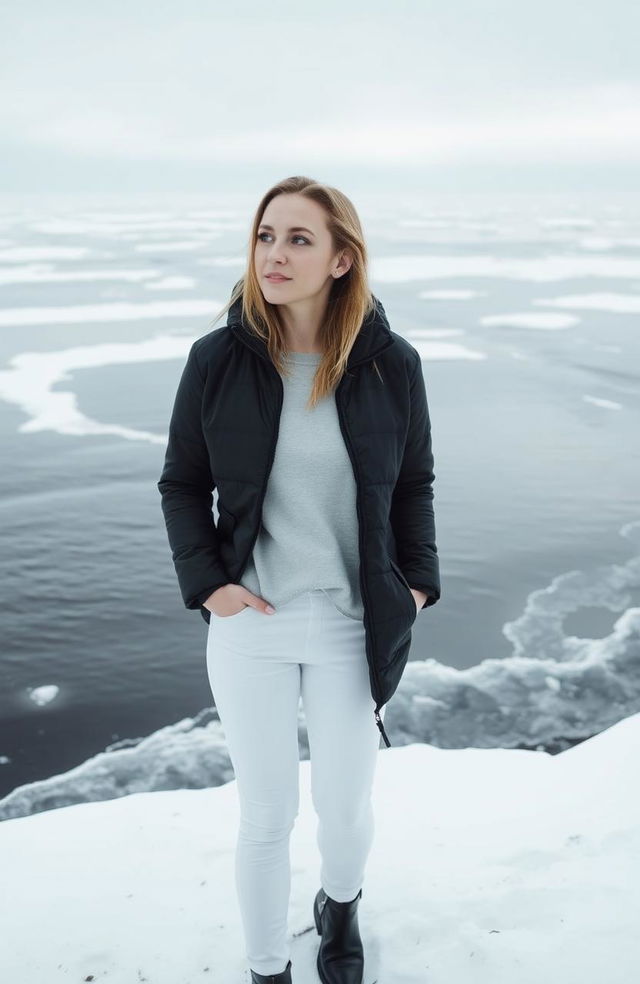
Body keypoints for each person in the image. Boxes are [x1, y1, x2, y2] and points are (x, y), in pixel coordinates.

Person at [157, 175, 441, 984]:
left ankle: (339, 909)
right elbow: (182, 481)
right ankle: (265, 970)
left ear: (342, 258)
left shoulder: (391, 365)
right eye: (265, 236)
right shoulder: (217, 360)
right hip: (253, 619)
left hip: (355, 621)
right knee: (266, 815)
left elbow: (414, 481)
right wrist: (210, 585)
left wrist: (415, 583)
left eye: (298, 239)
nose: (274, 255)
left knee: (345, 813)